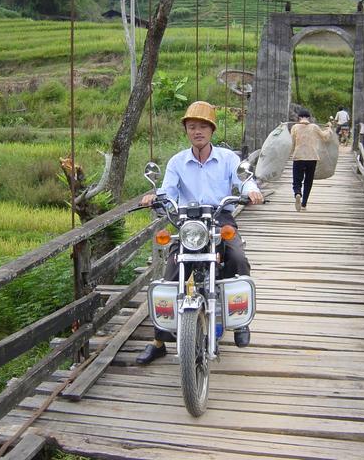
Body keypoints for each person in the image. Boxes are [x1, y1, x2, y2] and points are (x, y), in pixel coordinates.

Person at [136, 101, 264, 365]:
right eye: (192, 126)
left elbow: (243, 178)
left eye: (203, 126)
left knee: (238, 258)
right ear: (186, 131)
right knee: (170, 274)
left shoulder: (228, 159)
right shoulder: (177, 162)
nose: (197, 131)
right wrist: (155, 196)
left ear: (212, 130)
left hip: (220, 218)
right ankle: (159, 341)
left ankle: (239, 321)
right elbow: (168, 191)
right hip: (188, 223)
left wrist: (251, 190)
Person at [290, 109, 329, 212]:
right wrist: (329, 129)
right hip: (312, 157)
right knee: (308, 181)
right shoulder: (314, 127)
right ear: (309, 118)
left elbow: (292, 142)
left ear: (299, 118)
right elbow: (325, 137)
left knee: (296, 180)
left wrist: (290, 154)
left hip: (298, 156)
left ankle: (298, 193)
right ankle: (304, 204)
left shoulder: (295, 127)